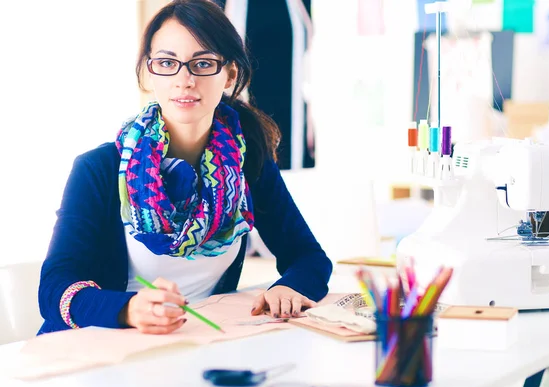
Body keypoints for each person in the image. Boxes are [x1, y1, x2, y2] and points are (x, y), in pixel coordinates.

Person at [37, 0, 332, 335]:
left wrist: (289, 287)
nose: (184, 79)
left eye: (203, 63)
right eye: (167, 62)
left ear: (230, 74)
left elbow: (309, 257)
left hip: (194, 347)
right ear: (149, 72)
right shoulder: (99, 168)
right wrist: (128, 308)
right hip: (96, 351)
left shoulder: (248, 161)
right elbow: (53, 290)